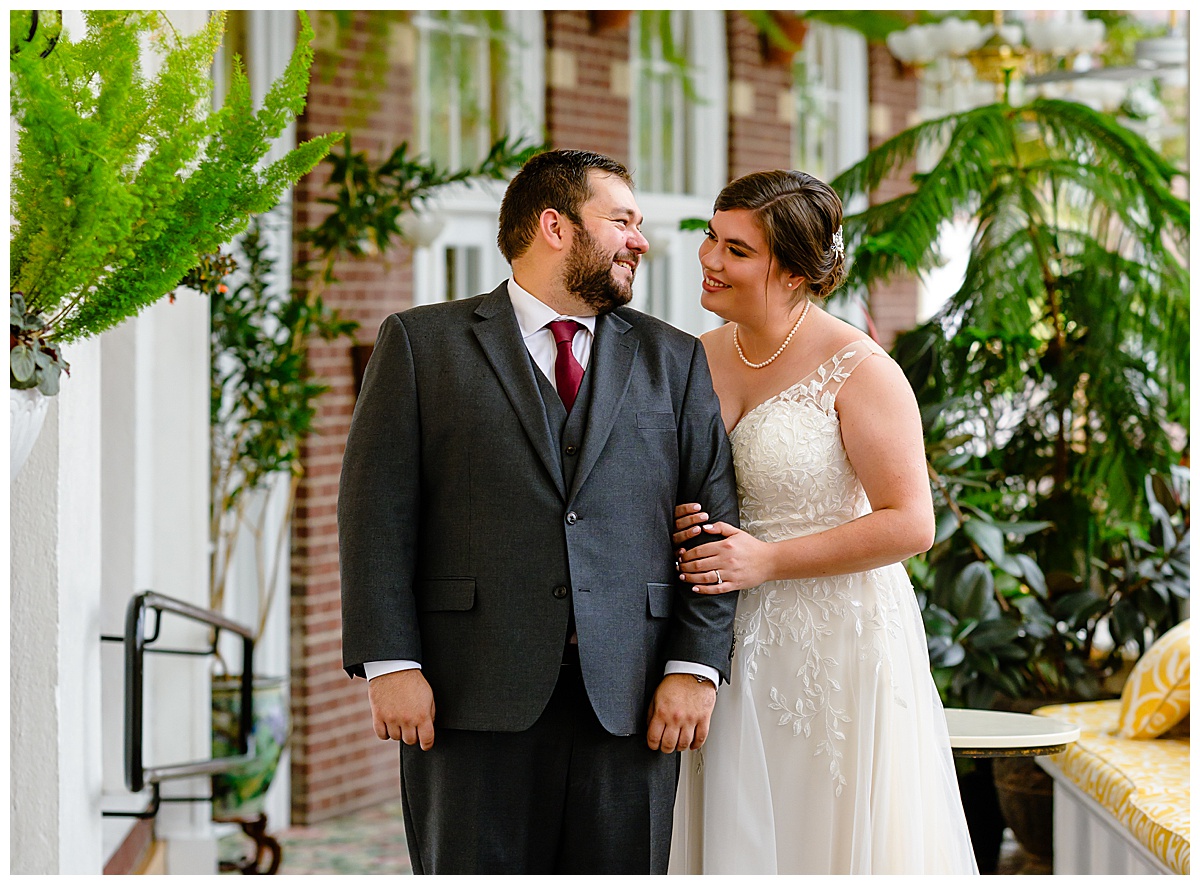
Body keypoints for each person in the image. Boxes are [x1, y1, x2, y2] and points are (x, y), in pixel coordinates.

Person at [337, 149, 740, 875]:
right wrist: (390, 663)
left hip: (632, 698)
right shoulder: (420, 344)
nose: (640, 240)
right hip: (466, 695)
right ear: (553, 225)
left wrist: (695, 665)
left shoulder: (673, 357)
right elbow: (375, 514)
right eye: (622, 221)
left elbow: (715, 522)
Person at [666, 170, 978, 874]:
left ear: (796, 272)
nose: (709, 260)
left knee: (820, 831)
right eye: (713, 238)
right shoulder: (695, 355)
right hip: (724, 631)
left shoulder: (861, 369)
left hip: (834, 637)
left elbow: (911, 523)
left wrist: (769, 560)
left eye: (737, 250)